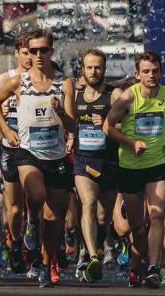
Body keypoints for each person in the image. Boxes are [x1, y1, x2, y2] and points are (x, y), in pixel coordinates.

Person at [0, 28, 76, 288]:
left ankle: (46, 263)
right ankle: (31, 222)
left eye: (43, 50)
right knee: (35, 196)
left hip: (57, 156)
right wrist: (5, 131)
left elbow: (73, 126)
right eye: (34, 50)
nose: (38, 55)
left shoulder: (65, 83)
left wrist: (61, 112)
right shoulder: (18, 82)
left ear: (51, 51)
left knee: (55, 218)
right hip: (27, 152)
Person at [103, 50, 165, 289]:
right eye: (146, 71)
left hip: (157, 165)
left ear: (161, 72)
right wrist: (130, 143)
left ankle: (154, 269)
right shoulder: (127, 98)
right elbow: (108, 127)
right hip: (130, 167)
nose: (151, 75)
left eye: (155, 71)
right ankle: (135, 266)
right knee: (137, 226)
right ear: (137, 74)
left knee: (157, 215)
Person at [72, 49, 122, 283]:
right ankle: (92, 255)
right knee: (88, 203)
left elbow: (125, 129)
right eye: (89, 67)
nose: (93, 71)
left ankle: (93, 249)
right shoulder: (75, 94)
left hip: (110, 162)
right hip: (83, 160)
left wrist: (106, 124)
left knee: (103, 219)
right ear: (83, 69)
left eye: (98, 67)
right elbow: (67, 122)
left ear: (104, 69)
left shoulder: (114, 95)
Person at [0, 34, 31, 275]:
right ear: (16, 54)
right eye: (25, 52)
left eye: (34, 52)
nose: (30, 57)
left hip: (38, 149)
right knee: (15, 208)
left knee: (36, 203)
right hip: (12, 148)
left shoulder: (45, 81)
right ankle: (16, 243)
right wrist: (2, 116)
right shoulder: (5, 80)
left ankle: (38, 251)